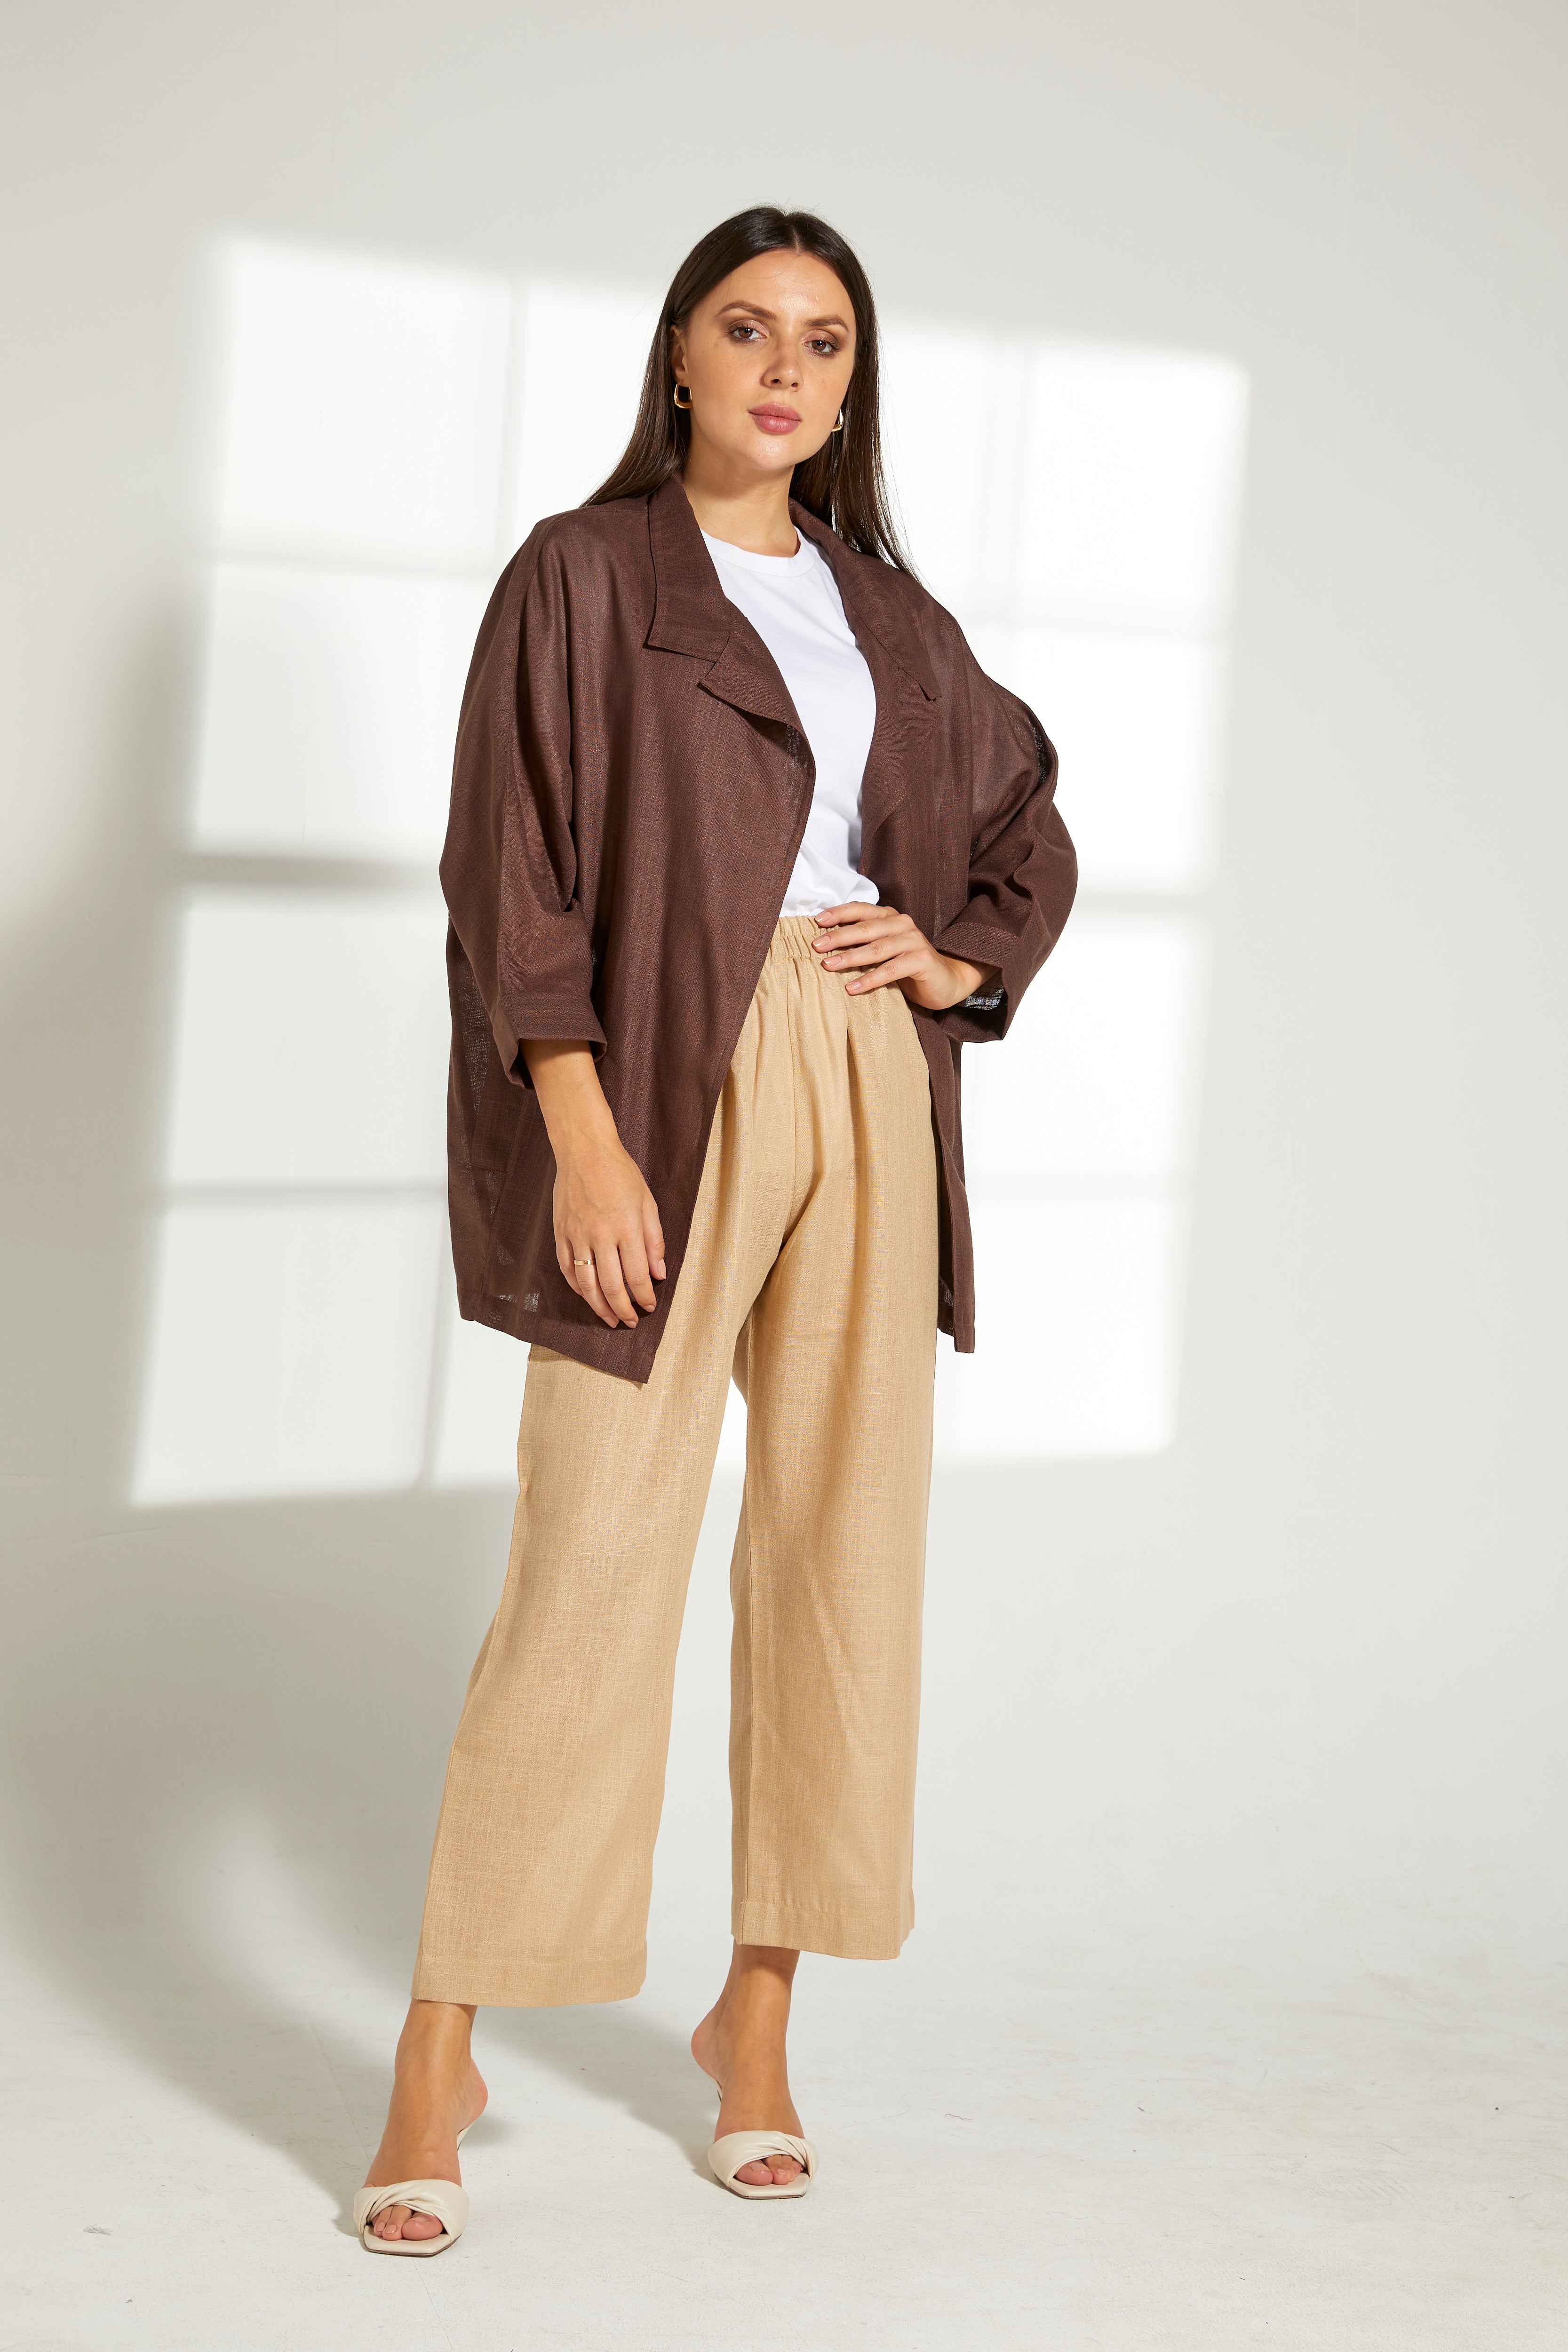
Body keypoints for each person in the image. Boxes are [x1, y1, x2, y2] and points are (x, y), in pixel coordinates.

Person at [354, 205, 1076, 2254]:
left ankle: (757, 2014)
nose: (785, 369)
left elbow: (1024, 817)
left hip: (863, 1064)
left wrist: (952, 959)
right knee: (592, 1548)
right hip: (660, 1080)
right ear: (679, 353)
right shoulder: (587, 575)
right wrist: (583, 1137)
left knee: (842, 1551)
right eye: (748, 328)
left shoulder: (892, 616)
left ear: (852, 386)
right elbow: (511, 870)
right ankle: (440, 2041)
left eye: (825, 342)